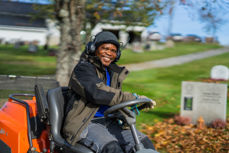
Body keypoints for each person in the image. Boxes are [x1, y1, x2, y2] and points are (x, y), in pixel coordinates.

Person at [62, 31, 157, 153]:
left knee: (145, 143)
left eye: (113, 50)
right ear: (93, 49)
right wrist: (132, 97)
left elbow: (114, 99)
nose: (109, 53)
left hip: (110, 122)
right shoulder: (83, 69)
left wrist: (136, 104)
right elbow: (98, 93)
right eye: (105, 48)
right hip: (85, 123)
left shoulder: (113, 73)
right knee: (113, 148)